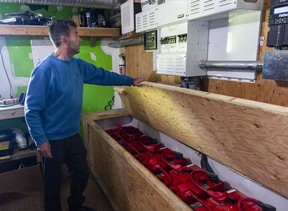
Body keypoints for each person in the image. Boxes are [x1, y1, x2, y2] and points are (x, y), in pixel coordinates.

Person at [24, 20, 143, 211]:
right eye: (76, 34)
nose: (80, 38)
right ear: (64, 39)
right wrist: (41, 140)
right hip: (52, 139)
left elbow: (103, 76)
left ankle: (75, 205)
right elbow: (31, 110)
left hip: (72, 134)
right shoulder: (44, 70)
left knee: (81, 172)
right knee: (53, 184)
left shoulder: (77, 65)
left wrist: (130, 81)